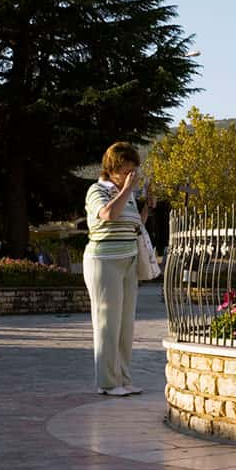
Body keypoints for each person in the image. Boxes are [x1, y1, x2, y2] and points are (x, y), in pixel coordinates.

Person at [83, 141, 152, 397]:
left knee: (125, 325)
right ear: (112, 168)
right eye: (126, 169)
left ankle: (123, 378)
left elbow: (133, 223)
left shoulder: (129, 194)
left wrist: (146, 208)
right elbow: (109, 215)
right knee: (107, 323)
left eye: (133, 169)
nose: (130, 174)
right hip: (105, 261)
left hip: (128, 261)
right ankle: (108, 382)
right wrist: (125, 190)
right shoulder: (97, 190)